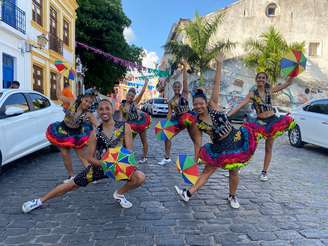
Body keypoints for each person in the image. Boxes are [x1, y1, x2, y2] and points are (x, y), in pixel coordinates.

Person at [22, 99, 145, 213]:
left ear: (113, 110)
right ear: (98, 112)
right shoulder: (95, 133)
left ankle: (119, 194)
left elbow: (129, 150)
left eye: (107, 108)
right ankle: (40, 201)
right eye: (101, 109)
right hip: (99, 166)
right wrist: (104, 163)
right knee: (71, 185)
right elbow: (89, 158)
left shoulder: (124, 127)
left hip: (119, 166)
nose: (104, 111)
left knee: (139, 177)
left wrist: (127, 163)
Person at [175, 53, 258, 209]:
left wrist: (219, 64)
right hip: (218, 147)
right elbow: (198, 142)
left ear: (206, 103)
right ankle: (188, 194)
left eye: (201, 103)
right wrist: (196, 159)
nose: (199, 106)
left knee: (234, 171)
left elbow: (216, 85)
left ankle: (232, 196)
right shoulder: (197, 122)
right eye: (196, 104)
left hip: (235, 140)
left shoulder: (213, 105)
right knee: (207, 171)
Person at [227, 72, 296, 181]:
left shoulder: (270, 90)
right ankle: (237, 167)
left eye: (263, 78)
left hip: (272, 121)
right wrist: (228, 115)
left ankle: (264, 172)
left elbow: (288, 83)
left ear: (266, 80)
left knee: (268, 148)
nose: (261, 79)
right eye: (259, 78)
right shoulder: (252, 94)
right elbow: (240, 105)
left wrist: (294, 71)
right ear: (256, 79)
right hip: (260, 122)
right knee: (249, 145)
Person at [46, 74, 97, 183]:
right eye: (86, 100)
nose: (87, 103)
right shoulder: (72, 102)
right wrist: (58, 80)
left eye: (90, 103)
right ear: (82, 98)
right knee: (64, 153)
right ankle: (71, 176)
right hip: (63, 130)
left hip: (76, 134)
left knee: (82, 155)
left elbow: (98, 125)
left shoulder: (88, 114)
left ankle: (92, 174)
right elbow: (59, 95)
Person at [158, 60, 197, 165]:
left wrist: (184, 68)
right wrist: (167, 125)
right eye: (175, 87)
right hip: (178, 120)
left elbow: (185, 82)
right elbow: (169, 114)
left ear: (180, 88)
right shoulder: (170, 101)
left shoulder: (184, 95)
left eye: (178, 87)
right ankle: (167, 157)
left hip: (188, 117)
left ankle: (198, 157)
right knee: (167, 136)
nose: (177, 88)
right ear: (173, 88)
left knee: (195, 137)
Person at [120, 79, 151, 163]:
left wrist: (146, 83)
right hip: (130, 125)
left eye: (132, 96)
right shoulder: (122, 105)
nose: (130, 97)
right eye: (129, 95)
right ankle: (126, 157)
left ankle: (144, 157)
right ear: (126, 95)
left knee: (144, 140)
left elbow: (142, 92)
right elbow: (123, 117)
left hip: (140, 123)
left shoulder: (135, 102)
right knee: (125, 141)